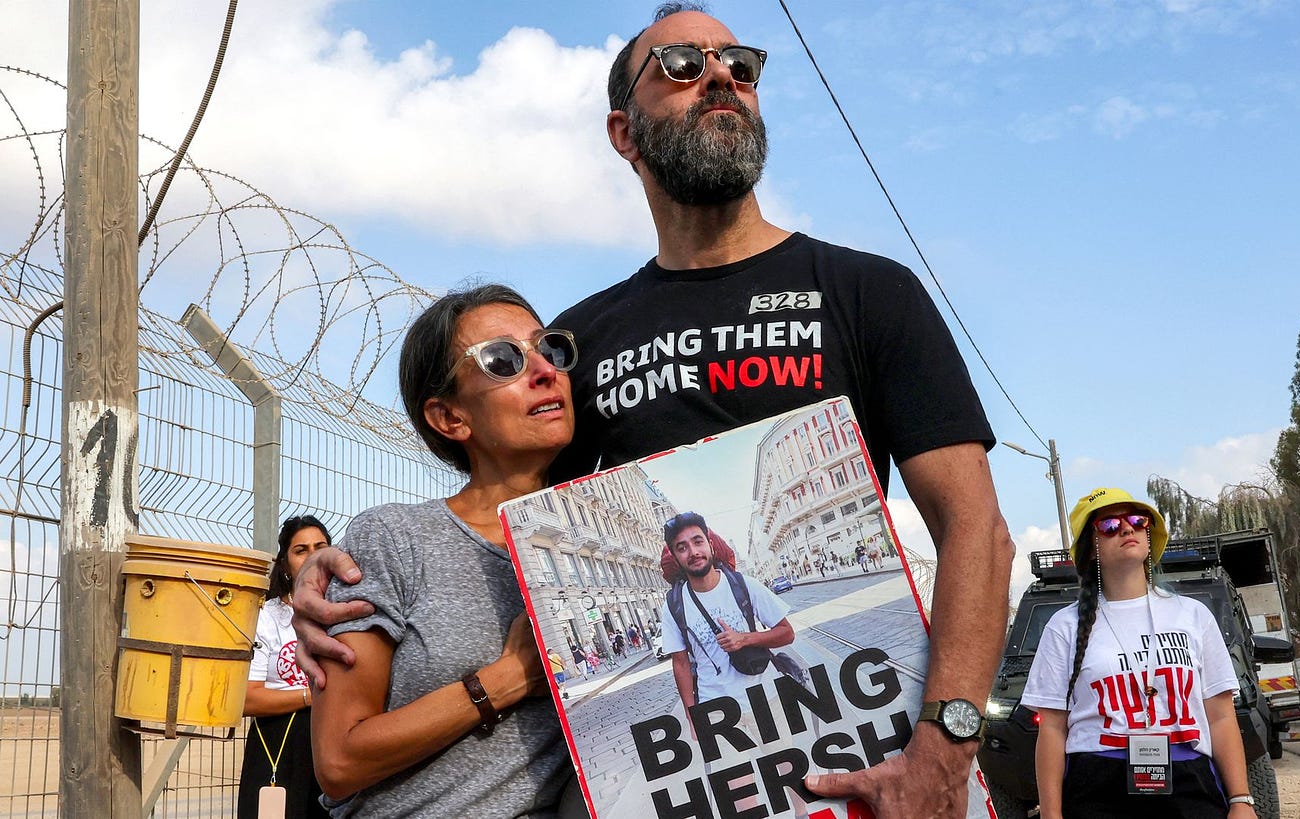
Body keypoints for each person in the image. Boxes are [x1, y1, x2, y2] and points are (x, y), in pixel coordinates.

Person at [292, 6, 1014, 817]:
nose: (721, 76)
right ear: (624, 133)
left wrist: (946, 746)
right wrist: (331, 573)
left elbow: (976, 532)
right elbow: (507, 520)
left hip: (854, 776)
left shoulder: (869, 293)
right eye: (679, 64)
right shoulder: (577, 342)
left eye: (739, 64)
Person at [308, 284, 585, 818]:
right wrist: (508, 678)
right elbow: (340, 760)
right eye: (502, 360)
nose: (544, 370)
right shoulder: (395, 539)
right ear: (449, 418)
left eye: (549, 348)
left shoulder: (618, 542)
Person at [1020, 488, 1257, 819]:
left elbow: (1219, 715)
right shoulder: (1064, 626)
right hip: (1096, 784)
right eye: (1109, 525)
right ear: (1091, 549)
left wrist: (1241, 800)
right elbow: (1053, 729)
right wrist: (1051, 815)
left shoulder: (1193, 615)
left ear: (1148, 534)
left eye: (1136, 520)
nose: (1127, 528)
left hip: (1189, 781)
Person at [237, 515, 333, 819]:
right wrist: (310, 695)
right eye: (300, 549)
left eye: (320, 546)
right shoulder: (266, 618)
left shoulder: (349, 613)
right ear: (285, 563)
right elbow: (247, 698)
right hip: (278, 745)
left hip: (334, 740)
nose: (312, 555)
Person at [657, 512, 794, 708]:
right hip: (716, 709)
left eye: (698, 542)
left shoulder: (744, 584)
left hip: (766, 697)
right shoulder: (673, 605)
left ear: (710, 545)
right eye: (682, 547)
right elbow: (680, 664)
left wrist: (745, 638)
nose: (693, 552)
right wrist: (692, 716)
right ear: (676, 557)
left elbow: (787, 633)